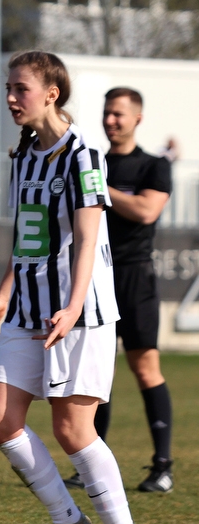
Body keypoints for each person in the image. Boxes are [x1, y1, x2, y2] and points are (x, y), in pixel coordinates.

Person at [0, 51, 146, 524]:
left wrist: (72, 305)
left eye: (20, 88)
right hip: (27, 309)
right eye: (8, 88)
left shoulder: (83, 154)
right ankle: (67, 520)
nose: (10, 97)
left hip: (81, 311)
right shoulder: (23, 155)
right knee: (0, 421)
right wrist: (3, 294)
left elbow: (89, 237)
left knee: (73, 429)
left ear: (52, 93)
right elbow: (27, 237)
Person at [63, 88, 174, 493]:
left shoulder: (154, 166)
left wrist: (98, 187)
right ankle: (90, 462)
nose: (111, 120)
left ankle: (162, 466)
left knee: (145, 369)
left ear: (137, 118)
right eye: (107, 113)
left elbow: (147, 211)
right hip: (96, 276)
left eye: (119, 114)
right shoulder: (94, 162)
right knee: (95, 375)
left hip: (135, 279)